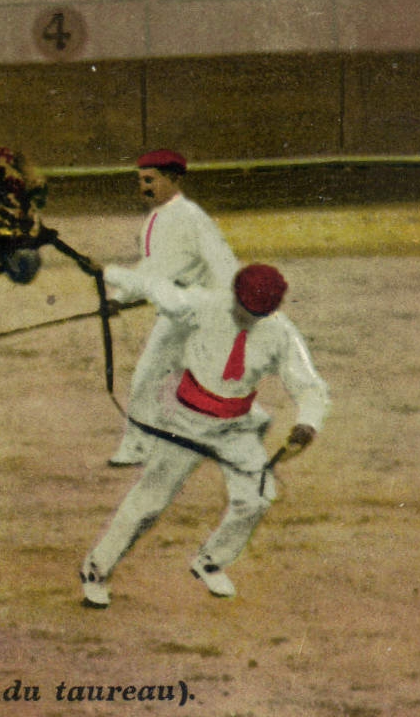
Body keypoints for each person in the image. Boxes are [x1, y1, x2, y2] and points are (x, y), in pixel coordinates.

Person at [80, 263, 329, 608]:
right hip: (187, 419)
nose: (250, 318)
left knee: (257, 497)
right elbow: (153, 285)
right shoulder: (201, 303)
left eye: (259, 313)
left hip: (235, 427)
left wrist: (307, 424)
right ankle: (96, 570)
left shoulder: (281, 332)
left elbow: (310, 386)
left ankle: (211, 561)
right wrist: (106, 272)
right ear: (235, 295)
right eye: (246, 309)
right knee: (150, 500)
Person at [107, 149, 239, 466]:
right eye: (141, 181)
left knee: (150, 378)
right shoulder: (155, 219)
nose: (144, 188)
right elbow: (151, 270)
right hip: (176, 312)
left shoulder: (192, 217)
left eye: (150, 180)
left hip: (196, 314)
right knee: (182, 380)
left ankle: (139, 446)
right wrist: (119, 298)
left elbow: (224, 264)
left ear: (173, 179)